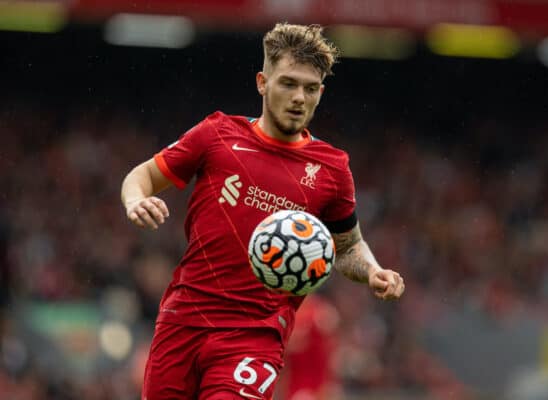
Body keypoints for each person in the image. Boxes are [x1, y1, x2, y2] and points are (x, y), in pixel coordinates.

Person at [121, 22, 404, 400]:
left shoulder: (332, 169)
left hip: (254, 337)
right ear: (262, 82)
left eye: (309, 88)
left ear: (321, 93)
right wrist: (136, 201)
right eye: (288, 83)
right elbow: (141, 176)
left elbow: (349, 246)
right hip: (183, 321)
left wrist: (373, 272)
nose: (299, 97)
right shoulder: (217, 135)